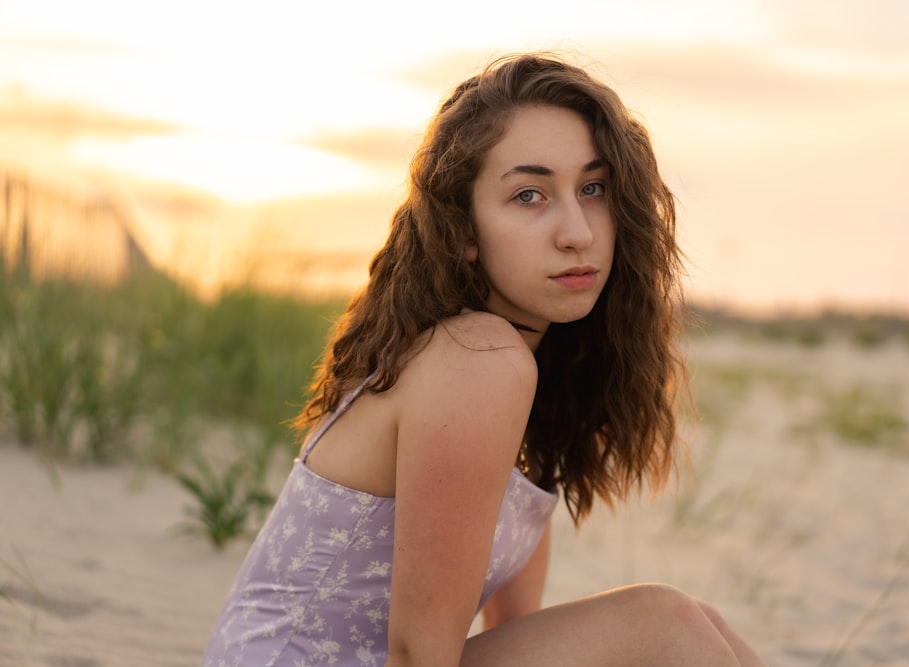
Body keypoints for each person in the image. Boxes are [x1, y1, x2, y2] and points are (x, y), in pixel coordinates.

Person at [201, 52, 766, 667]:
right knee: (666, 622)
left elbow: (513, 628)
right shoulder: (477, 360)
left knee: (697, 624)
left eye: (593, 188)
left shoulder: (525, 377)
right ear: (464, 232)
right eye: (529, 195)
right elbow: (421, 653)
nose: (576, 230)